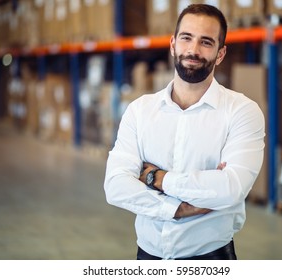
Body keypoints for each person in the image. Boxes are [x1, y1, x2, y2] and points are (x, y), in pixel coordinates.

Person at [104, 4, 265, 260]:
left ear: (220, 54)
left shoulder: (241, 112)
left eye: (206, 42)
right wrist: (176, 208)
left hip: (210, 258)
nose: (193, 50)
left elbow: (232, 188)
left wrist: (156, 178)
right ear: (172, 44)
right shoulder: (140, 111)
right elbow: (115, 186)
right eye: (186, 38)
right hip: (148, 257)